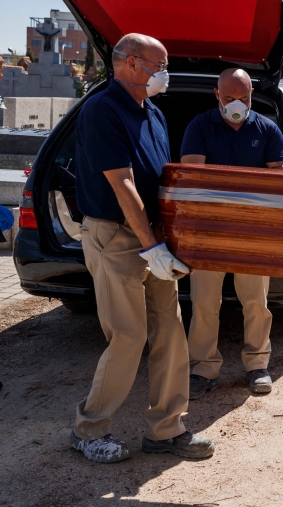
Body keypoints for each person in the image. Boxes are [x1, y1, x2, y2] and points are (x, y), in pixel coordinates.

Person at [71, 33, 214, 463]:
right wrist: (152, 247)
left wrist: (167, 235)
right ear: (131, 64)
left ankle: (166, 429)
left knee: (170, 331)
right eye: (160, 63)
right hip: (116, 236)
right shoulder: (102, 110)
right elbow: (123, 184)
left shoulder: (152, 112)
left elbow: (162, 176)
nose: (165, 72)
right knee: (129, 336)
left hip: (151, 235)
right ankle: (89, 429)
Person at [180, 68, 283, 398]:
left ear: (252, 95)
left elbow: (280, 179)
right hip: (208, 232)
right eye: (229, 98)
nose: (236, 104)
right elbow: (192, 175)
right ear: (217, 95)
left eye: (243, 98)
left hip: (252, 233)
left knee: (256, 301)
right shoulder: (200, 126)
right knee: (204, 304)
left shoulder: (267, 129)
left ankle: (257, 365)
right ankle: (202, 368)